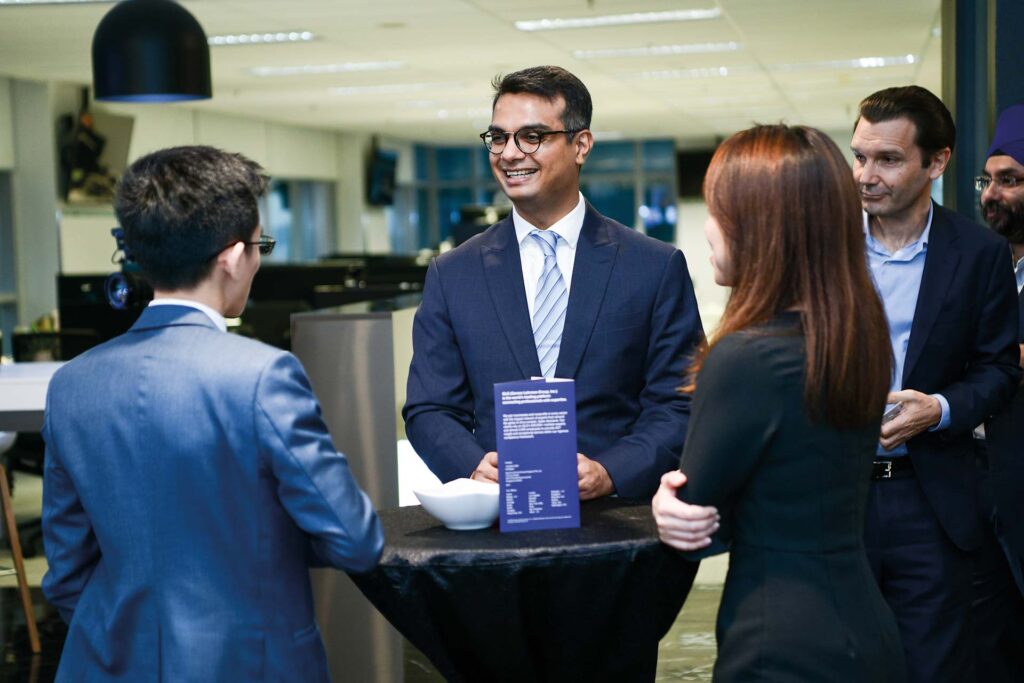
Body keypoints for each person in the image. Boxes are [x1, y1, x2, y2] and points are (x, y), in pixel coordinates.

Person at [42, 145, 384, 681]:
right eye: (259, 246)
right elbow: (355, 539)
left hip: (104, 661)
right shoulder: (263, 375)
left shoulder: (70, 384)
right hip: (248, 663)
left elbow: (65, 571)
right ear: (230, 256)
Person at [653, 123, 905, 681]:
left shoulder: (745, 357)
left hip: (781, 644)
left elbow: (698, 525)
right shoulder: (852, 336)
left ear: (759, 229)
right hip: (863, 629)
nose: (709, 233)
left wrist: (666, 509)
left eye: (718, 214)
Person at [403, 65, 704, 500]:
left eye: (532, 137)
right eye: (499, 137)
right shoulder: (453, 274)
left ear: (581, 145)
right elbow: (429, 407)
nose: (509, 153)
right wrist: (470, 464)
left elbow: (680, 404)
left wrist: (610, 471)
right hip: (496, 529)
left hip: (619, 528)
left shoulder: (653, 267)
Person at [851, 86, 1021, 682]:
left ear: (938, 162)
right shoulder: (825, 248)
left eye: (889, 160)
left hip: (933, 502)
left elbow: (1000, 369)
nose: (867, 176)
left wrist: (942, 408)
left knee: (934, 668)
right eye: (860, 157)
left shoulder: (978, 254)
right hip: (837, 497)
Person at [973, 103, 1024, 681]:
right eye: (987, 180)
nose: (991, 194)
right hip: (987, 496)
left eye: (1009, 180)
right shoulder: (994, 268)